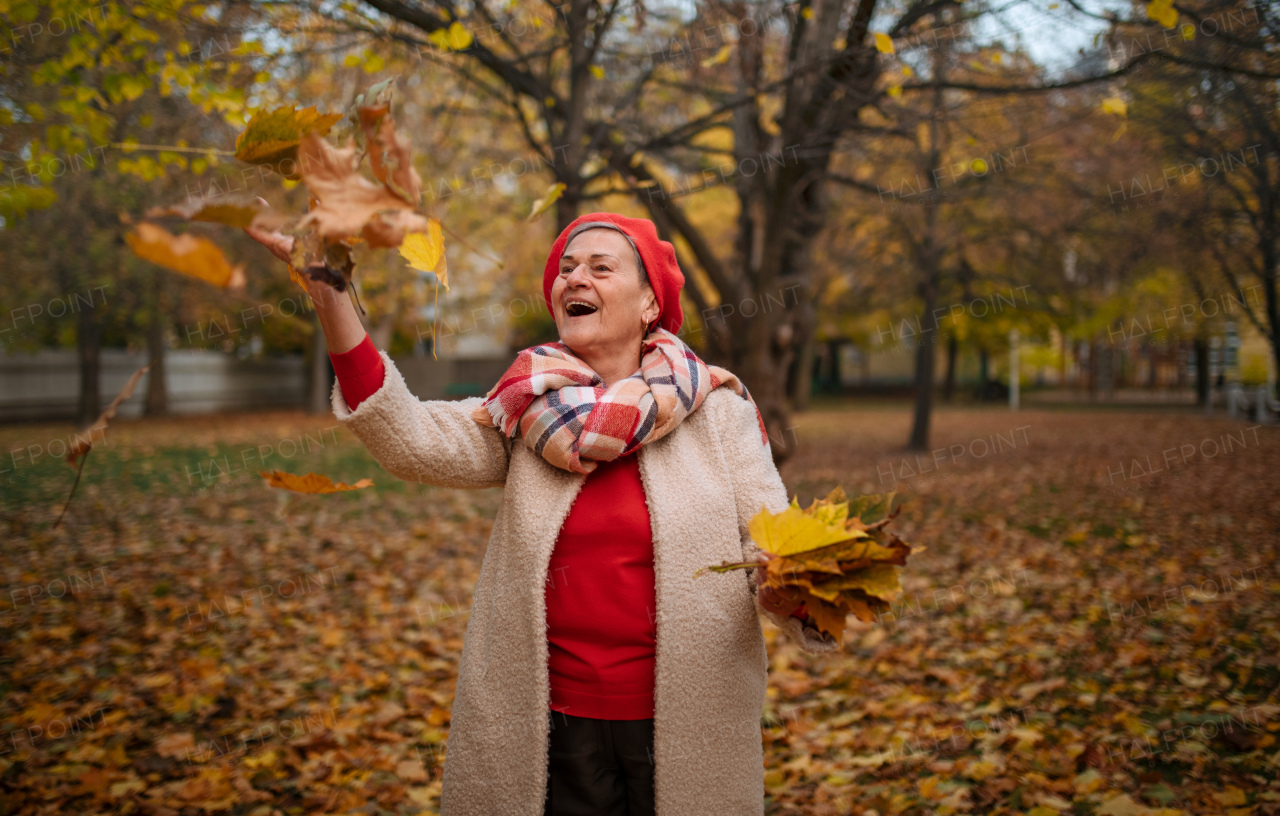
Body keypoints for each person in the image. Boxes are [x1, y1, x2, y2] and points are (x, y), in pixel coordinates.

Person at [246, 211, 837, 816]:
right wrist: (329, 295)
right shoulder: (525, 408)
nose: (574, 278)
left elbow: (776, 547)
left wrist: (802, 586)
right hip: (548, 729)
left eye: (601, 268)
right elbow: (409, 435)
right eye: (566, 269)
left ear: (649, 306)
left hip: (690, 725)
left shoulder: (719, 415)